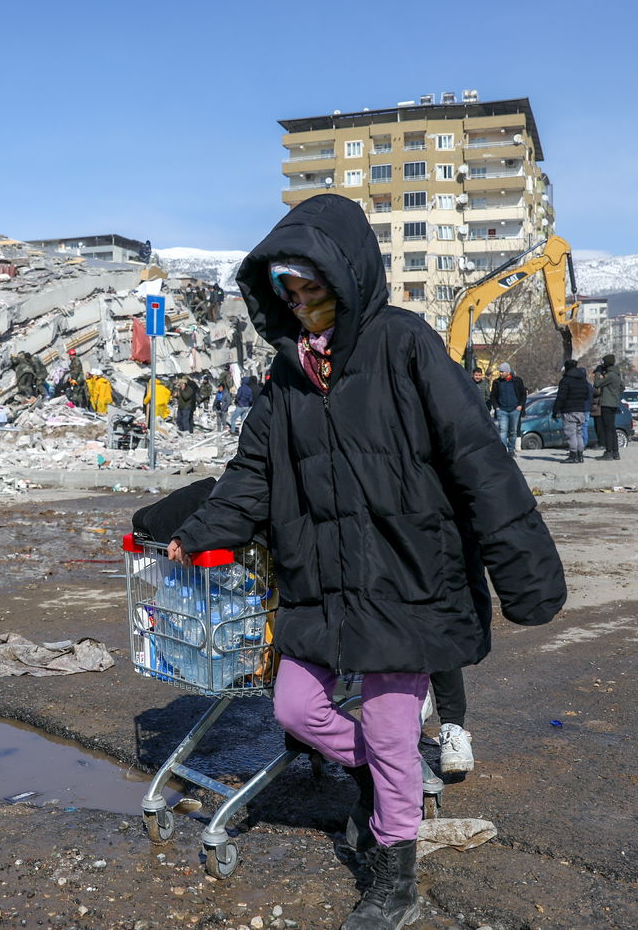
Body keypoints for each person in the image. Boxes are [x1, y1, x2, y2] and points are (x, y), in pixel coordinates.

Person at [166, 195, 565, 930]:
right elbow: (249, 476)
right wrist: (198, 532)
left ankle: (394, 879)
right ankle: (392, 781)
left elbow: (479, 457)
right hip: (324, 583)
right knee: (295, 706)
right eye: (287, 292)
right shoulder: (288, 377)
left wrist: (526, 571)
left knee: (388, 723)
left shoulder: (406, 345)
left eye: (311, 288)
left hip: (410, 575)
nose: (301, 304)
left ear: (346, 276)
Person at [553, 359, 592, 464]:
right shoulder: (583, 380)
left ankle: (573, 456)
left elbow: (560, 397)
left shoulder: (565, 380)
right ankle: (580, 455)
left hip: (569, 410)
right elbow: (586, 394)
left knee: (571, 434)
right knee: (579, 433)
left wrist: (555, 410)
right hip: (581, 410)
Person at [489, 363, 526, 456]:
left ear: (508, 372)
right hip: (502, 410)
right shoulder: (497, 382)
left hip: (515, 410)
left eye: (502, 372)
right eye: (500, 372)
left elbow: (523, 394)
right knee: (503, 430)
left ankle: (511, 450)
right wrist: (497, 407)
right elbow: (492, 396)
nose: (500, 373)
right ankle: (503, 450)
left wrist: (520, 405)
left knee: (513, 431)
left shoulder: (517, 381)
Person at [592, 354, 624, 460]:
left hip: (606, 404)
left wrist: (597, 372)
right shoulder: (617, 374)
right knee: (612, 428)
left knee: (607, 429)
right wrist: (614, 394)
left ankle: (608, 452)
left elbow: (597, 384)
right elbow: (622, 387)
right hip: (614, 403)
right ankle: (615, 452)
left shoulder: (610, 375)